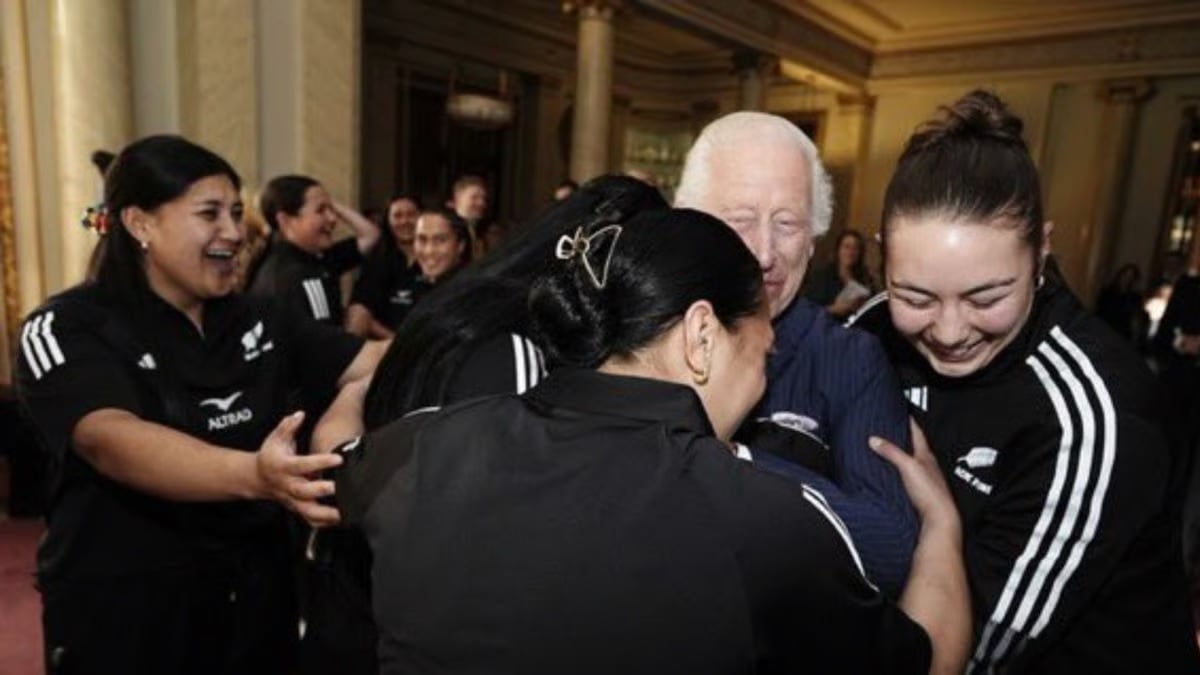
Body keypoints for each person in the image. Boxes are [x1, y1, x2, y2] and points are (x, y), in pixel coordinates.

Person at [324, 206, 970, 675]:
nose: (761, 380)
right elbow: (928, 657)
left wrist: (350, 396)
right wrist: (941, 523)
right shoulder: (758, 520)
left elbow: (328, 469)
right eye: (763, 354)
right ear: (702, 334)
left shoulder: (413, 447)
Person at [850, 90, 1200, 673]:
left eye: (987, 296)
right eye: (916, 295)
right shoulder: (872, 325)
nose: (949, 330)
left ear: (1041, 251)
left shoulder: (1095, 420)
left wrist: (941, 522)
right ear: (885, 258)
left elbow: (975, 653)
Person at [14, 135, 385, 675]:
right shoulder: (68, 326)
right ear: (141, 224)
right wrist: (256, 475)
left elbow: (370, 362)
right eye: (209, 213)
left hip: (255, 599)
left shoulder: (260, 317)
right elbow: (111, 439)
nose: (234, 233)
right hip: (128, 610)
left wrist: (479, 313)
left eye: (235, 213)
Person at [675, 111, 918, 597]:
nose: (764, 253)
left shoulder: (849, 358)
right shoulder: (647, 331)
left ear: (814, 238)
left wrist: (729, 458)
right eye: (739, 220)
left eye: (787, 223)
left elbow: (888, 549)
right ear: (691, 224)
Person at [248, 174, 380, 326]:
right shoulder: (295, 275)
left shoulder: (317, 258)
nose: (332, 218)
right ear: (285, 220)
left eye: (331, 209)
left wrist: (326, 201)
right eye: (320, 210)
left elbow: (371, 235)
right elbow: (322, 345)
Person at [345, 194, 423, 339]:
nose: (405, 221)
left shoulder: (435, 259)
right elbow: (362, 309)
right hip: (384, 345)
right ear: (388, 221)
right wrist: (395, 342)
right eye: (397, 216)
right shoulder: (376, 261)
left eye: (411, 215)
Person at [803, 229, 875, 319]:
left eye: (856, 248)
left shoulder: (865, 278)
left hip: (853, 328)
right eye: (847, 247)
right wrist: (834, 309)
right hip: (824, 326)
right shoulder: (821, 276)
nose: (851, 252)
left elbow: (872, 310)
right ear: (838, 250)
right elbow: (807, 310)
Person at [1094, 263, 1145, 342]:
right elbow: (1100, 311)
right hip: (1106, 330)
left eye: (1131, 277)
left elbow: (1135, 317)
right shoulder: (1108, 292)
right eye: (1126, 275)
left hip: (1122, 335)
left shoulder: (1134, 297)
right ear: (1120, 275)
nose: (1127, 279)